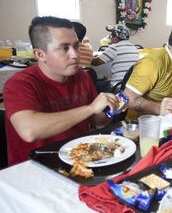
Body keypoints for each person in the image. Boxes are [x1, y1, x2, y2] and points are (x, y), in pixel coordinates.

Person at [3, 16, 118, 166]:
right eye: (64, 48)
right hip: (34, 167)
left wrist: (113, 108)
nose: (75, 55)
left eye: (76, 46)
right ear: (40, 54)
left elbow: (98, 121)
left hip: (80, 160)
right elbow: (29, 131)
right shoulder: (20, 83)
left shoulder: (82, 77)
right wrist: (90, 108)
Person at [123, 19, 172, 118]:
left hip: (166, 122)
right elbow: (127, 98)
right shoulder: (152, 63)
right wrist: (158, 108)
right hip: (141, 126)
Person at [92, 23, 140, 92]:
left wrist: (88, 57)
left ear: (115, 37)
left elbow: (96, 62)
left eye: (111, 35)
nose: (110, 37)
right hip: (131, 86)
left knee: (94, 85)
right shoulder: (134, 48)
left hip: (117, 87)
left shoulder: (115, 47)